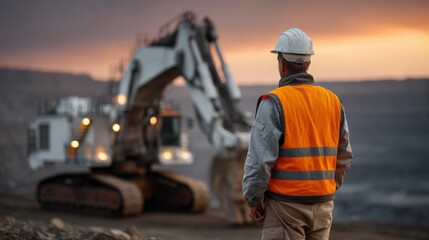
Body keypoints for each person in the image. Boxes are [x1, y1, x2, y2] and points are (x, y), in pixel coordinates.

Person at [242, 28, 353, 240]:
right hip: (322, 207)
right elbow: (345, 156)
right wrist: (325, 187)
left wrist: (253, 199)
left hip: (285, 207)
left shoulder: (274, 103)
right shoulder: (332, 101)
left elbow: (259, 161)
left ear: (281, 64)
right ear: (308, 62)